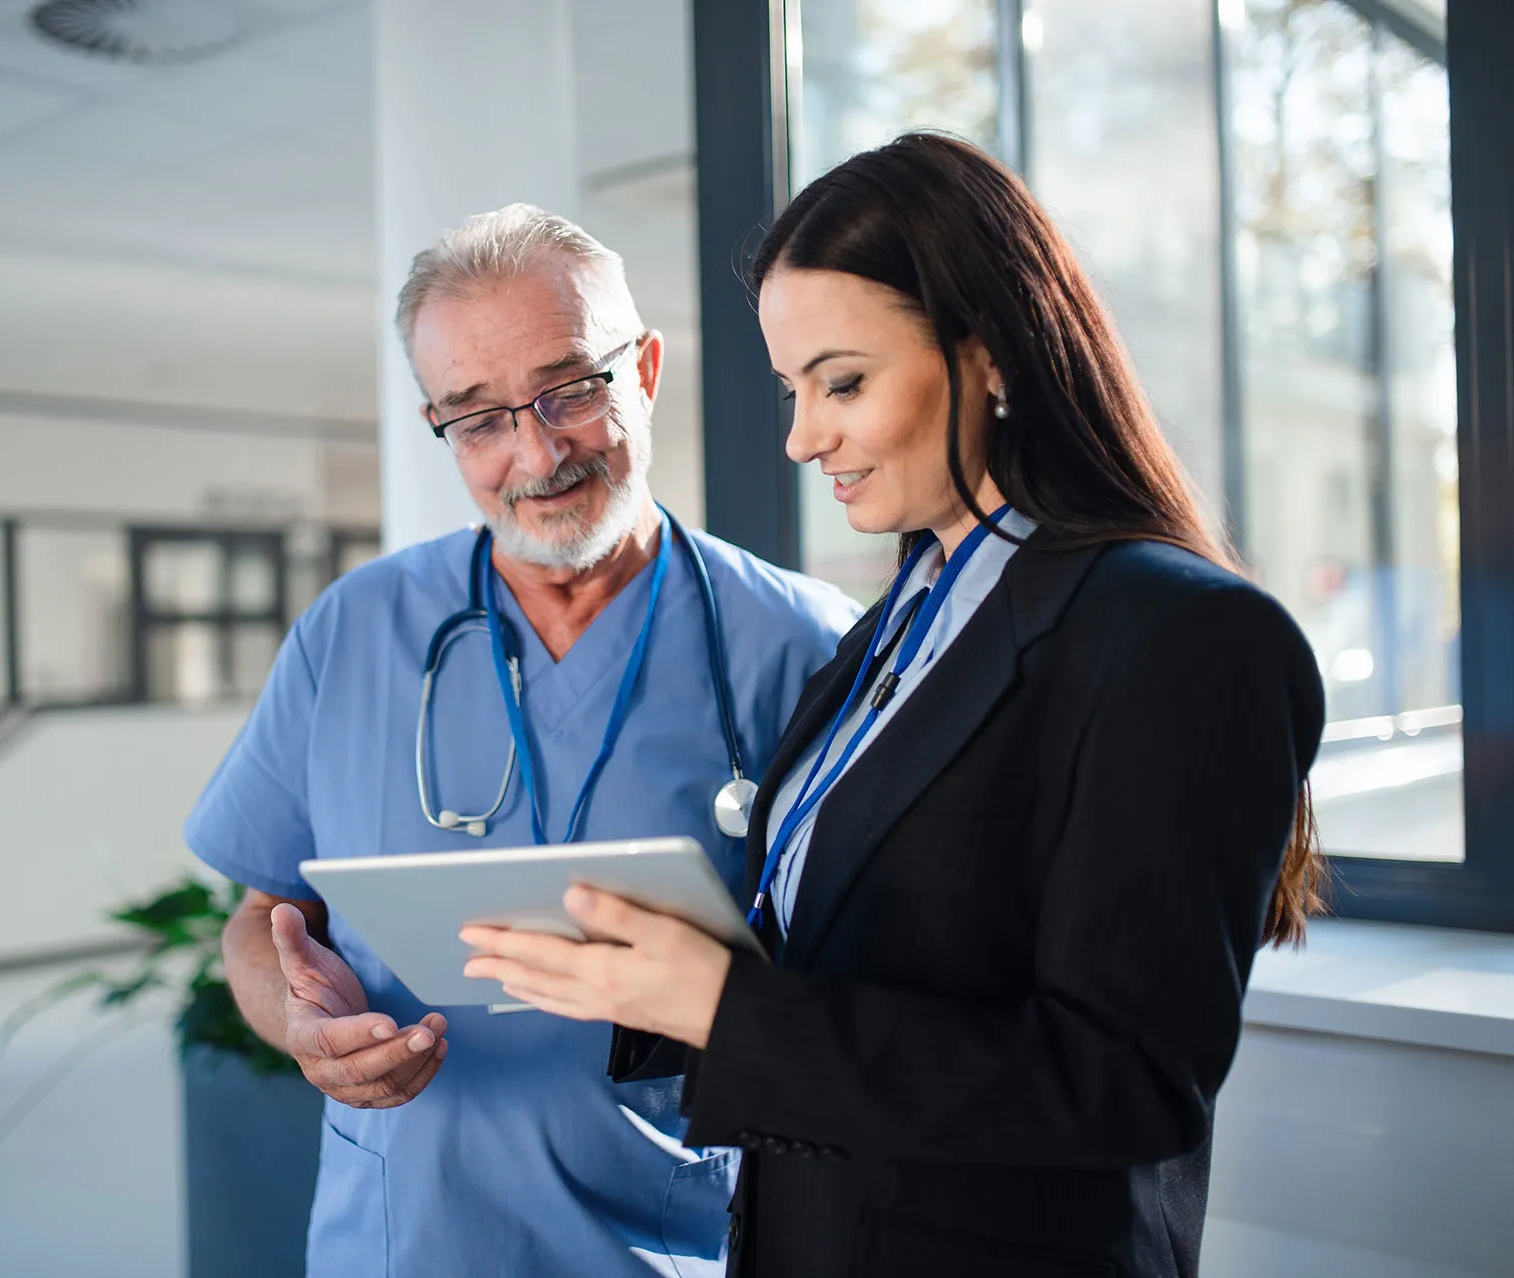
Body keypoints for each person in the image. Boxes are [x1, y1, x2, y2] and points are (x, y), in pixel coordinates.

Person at [461, 134, 1328, 1277]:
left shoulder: (1179, 635)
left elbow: (1124, 1088)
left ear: (993, 356)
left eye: (844, 383)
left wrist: (731, 1009)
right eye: (792, 389)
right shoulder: (900, 623)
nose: (802, 436)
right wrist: (664, 969)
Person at [184, 204, 859, 1277]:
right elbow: (262, 916)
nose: (535, 453)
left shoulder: (800, 644)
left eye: (571, 391)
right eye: (479, 419)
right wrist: (300, 1026)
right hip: (403, 1239)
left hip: (681, 1237)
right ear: (440, 427)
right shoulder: (352, 633)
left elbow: (867, 984)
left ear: (643, 367)